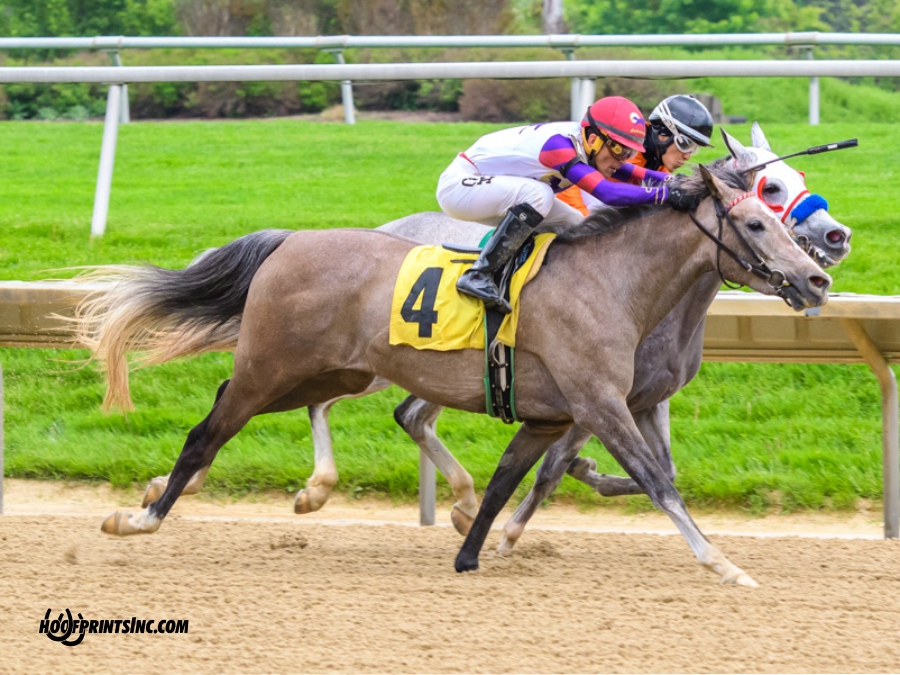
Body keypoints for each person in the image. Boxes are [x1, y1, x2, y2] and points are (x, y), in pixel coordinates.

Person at [436, 96, 700, 313]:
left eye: (631, 152)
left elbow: (630, 173)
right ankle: (479, 274)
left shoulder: (588, 143)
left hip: (495, 189)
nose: (625, 159)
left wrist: (675, 181)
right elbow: (606, 192)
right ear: (595, 139)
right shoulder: (559, 146)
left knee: (576, 223)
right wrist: (665, 195)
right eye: (620, 150)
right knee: (540, 195)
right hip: (460, 186)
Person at [558, 94, 716, 217]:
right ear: (663, 134)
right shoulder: (627, 152)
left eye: (693, 149)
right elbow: (574, 187)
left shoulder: (660, 162)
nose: (687, 156)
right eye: (685, 144)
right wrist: (583, 223)